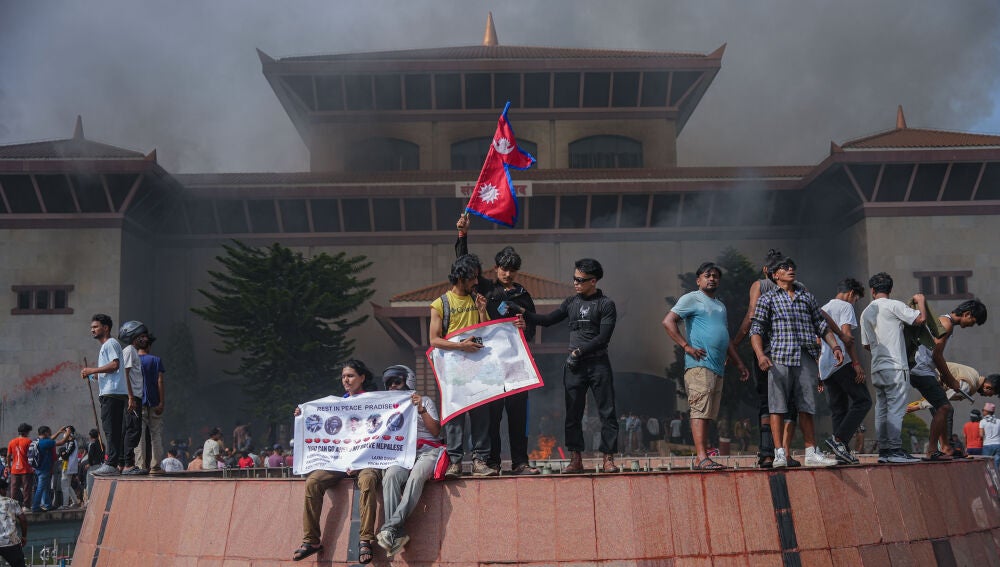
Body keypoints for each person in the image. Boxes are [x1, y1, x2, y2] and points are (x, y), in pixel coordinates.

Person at [455, 215, 540, 475]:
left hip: (515, 364)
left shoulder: (523, 295)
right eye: (503, 268)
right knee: (492, 416)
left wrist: (527, 327)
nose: (507, 273)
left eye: (512, 269)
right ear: (496, 268)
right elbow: (463, 265)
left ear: (517, 271)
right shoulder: (486, 288)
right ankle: (491, 463)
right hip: (490, 364)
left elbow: (533, 331)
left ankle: (519, 463)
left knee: (518, 416)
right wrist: (462, 235)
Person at [522, 258, 621, 473]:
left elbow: (603, 337)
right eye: (574, 278)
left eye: (580, 280)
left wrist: (580, 351)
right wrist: (523, 313)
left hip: (598, 364)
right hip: (574, 366)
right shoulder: (571, 303)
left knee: (607, 411)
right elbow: (547, 320)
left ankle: (608, 458)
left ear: (593, 281)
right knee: (572, 413)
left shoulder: (606, 304)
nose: (575, 283)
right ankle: (575, 459)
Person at [749, 257, 841, 467]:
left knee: (807, 405)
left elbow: (821, 324)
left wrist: (834, 346)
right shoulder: (768, 298)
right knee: (777, 406)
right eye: (785, 267)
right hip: (779, 356)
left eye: (792, 266)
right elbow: (756, 329)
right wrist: (760, 355)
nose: (790, 269)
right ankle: (779, 453)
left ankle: (811, 452)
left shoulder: (806, 297)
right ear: (775, 275)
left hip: (805, 356)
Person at [292, 360, 382, 564]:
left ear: (362, 378)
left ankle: (365, 539)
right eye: (343, 376)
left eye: (350, 376)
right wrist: (302, 415)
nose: (346, 380)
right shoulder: (337, 404)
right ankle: (311, 541)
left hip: (366, 460)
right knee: (313, 481)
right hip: (340, 462)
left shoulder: (376, 401)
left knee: (368, 481)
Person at [663, 261, 750, 469]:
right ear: (698, 280)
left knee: (708, 413)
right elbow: (668, 321)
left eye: (715, 276)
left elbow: (726, 337)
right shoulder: (692, 298)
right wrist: (686, 346)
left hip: (717, 367)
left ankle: (704, 455)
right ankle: (702, 457)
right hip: (699, 364)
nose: (712, 279)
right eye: (707, 275)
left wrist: (739, 363)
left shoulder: (720, 305)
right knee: (699, 410)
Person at [428, 254, 493, 478]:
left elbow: (487, 333)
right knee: (455, 415)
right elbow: (434, 340)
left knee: (481, 416)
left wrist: (483, 312)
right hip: (454, 371)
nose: (476, 282)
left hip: (478, 370)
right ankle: (455, 462)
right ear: (460, 278)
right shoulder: (440, 304)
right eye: (472, 278)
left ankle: (479, 461)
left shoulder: (477, 299)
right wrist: (461, 346)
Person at [375, 365, 443, 558]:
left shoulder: (425, 401)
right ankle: (397, 533)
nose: (393, 387)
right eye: (389, 384)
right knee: (390, 477)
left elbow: (436, 431)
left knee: (416, 477)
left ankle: (390, 526)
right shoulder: (387, 407)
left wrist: (421, 409)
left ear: (408, 381)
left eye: (397, 382)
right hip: (403, 455)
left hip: (428, 451)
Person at [907, 299, 987, 460]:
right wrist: (951, 380)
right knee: (944, 408)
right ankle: (933, 450)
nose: (972, 325)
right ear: (967, 314)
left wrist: (942, 377)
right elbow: (937, 354)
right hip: (920, 370)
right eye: (973, 321)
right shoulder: (947, 324)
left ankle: (945, 448)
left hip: (922, 370)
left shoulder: (944, 321)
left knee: (942, 407)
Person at [859, 272, 927, 463]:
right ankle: (895, 451)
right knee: (896, 409)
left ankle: (886, 451)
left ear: (872, 291)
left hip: (877, 367)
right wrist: (920, 300)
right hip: (896, 367)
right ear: (890, 289)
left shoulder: (866, 312)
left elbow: (866, 345)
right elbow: (920, 320)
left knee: (882, 409)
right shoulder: (894, 305)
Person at [818, 278, 872, 464]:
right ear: (851, 294)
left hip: (826, 366)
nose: (854, 302)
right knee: (863, 400)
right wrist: (856, 363)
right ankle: (839, 440)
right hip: (842, 362)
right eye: (856, 299)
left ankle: (841, 452)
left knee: (839, 408)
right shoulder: (845, 306)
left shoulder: (824, 308)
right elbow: (847, 337)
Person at [81, 314, 129, 476]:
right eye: (91, 328)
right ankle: (118, 461)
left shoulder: (110, 343)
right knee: (113, 429)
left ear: (106, 328)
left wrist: (92, 370)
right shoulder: (107, 346)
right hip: (111, 392)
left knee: (111, 430)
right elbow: (106, 373)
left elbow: (114, 365)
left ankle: (111, 463)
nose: (92, 330)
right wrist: (90, 375)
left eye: (95, 327)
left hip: (112, 394)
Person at [118, 321, 146, 475]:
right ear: (134, 337)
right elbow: (125, 374)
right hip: (132, 396)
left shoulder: (133, 351)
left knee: (130, 430)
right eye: (141, 336)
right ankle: (129, 465)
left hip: (134, 396)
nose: (145, 339)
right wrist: (130, 397)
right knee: (133, 430)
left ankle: (123, 464)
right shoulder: (129, 350)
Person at [136, 331, 166, 475]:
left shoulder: (133, 359)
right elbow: (160, 381)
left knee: (139, 434)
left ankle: (141, 465)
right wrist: (162, 402)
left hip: (137, 401)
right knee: (156, 433)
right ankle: (155, 466)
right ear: (149, 346)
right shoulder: (156, 360)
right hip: (154, 401)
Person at [6, 424, 34, 512]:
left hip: (14, 469)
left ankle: (12, 506)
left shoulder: (12, 441)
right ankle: (26, 506)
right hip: (26, 469)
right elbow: (32, 455)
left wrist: (9, 466)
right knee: (26, 488)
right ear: (26, 432)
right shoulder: (29, 441)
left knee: (13, 489)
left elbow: (8, 456)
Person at [0, 478, 27, 567]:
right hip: (10, 542)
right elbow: (23, 519)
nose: (6, 492)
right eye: (5, 490)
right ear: (1, 490)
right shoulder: (11, 502)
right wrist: (23, 536)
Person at [30, 426, 57, 513]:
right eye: (49, 432)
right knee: (40, 488)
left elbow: (51, 440)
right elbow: (62, 442)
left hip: (38, 468)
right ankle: (35, 506)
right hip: (44, 469)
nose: (50, 433)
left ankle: (48, 505)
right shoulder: (45, 443)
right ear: (45, 433)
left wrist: (59, 432)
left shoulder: (36, 441)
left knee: (45, 488)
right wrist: (67, 433)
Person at [53, 426, 80, 509]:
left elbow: (66, 455)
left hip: (68, 466)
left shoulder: (71, 442)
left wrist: (61, 453)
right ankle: (75, 502)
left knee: (64, 485)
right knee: (68, 485)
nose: (64, 435)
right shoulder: (70, 442)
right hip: (69, 466)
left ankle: (65, 505)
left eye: (66, 432)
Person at [980, 403, 1000, 469]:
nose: (982, 411)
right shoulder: (998, 421)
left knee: (987, 465)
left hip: (987, 445)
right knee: (996, 464)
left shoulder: (982, 422)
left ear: (987, 412)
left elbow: (981, 435)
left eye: (983, 410)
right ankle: (996, 478)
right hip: (998, 444)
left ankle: (989, 478)